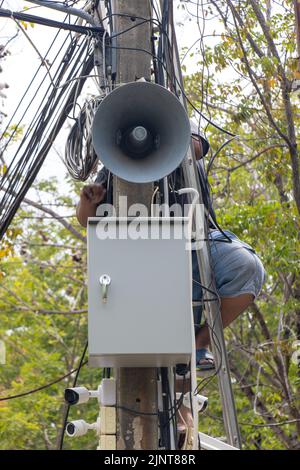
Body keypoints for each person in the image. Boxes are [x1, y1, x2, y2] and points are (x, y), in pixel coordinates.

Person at [76, 121, 266, 437]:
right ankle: (179, 413)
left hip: (201, 241)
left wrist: (161, 137)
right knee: (165, 339)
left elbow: (196, 146)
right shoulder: (116, 164)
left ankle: (199, 343)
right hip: (146, 254)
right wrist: (89, 199)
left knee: (246, 266)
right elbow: (87, 219)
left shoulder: (176, 130)